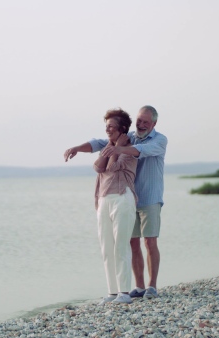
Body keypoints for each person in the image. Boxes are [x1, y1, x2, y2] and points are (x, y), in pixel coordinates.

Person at [64, 105, 167, 299]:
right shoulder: (130, 137)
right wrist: (78, 148)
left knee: (150, 241)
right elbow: (99, 143)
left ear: (154, 123)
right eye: (139, 120)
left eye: (146, 121)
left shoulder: (159, 140)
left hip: (149, 197)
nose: (142, 124)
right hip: (130, 198)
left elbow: (142, 150)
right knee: (132, 243)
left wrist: (119, 148)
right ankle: (139, 286)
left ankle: (152, 286)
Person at [91, 108, 137, 305]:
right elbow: (98, 166)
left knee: (121, 246)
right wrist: (111, 147)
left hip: (122, 197)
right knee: (106, 247)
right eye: (106, 126)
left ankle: (124, 293)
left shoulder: (131, 150)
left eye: (111, 126)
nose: (107, 130)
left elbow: (111, 167)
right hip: (104, 199)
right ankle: (112, 293)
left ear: (123, 129)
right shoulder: (108, 147)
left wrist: (118, 147)